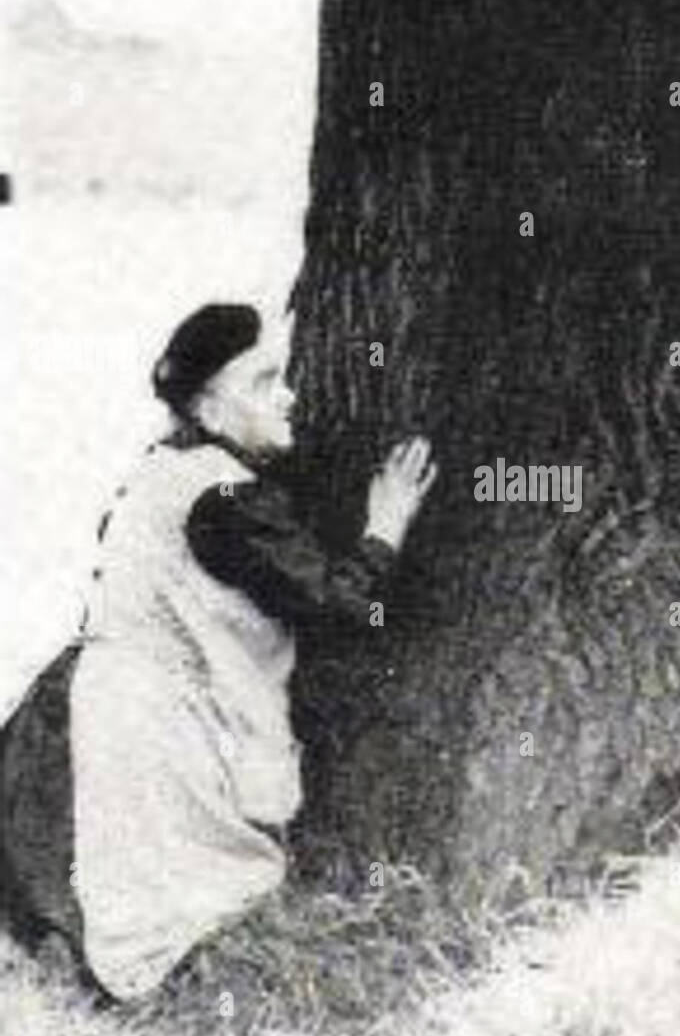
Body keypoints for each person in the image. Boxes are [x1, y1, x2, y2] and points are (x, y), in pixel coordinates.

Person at [0, 301, 437, 1000]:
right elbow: (339, 609)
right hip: (158, 726)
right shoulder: (222, 499)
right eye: (265, 383)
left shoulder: (169, 470)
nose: (290, 396)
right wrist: (385, 528)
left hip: (117, 702)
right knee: (194, 911)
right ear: (211, 403)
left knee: (152, 905)